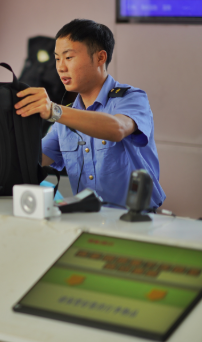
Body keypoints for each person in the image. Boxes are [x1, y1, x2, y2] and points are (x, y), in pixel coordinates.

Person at [14, 19, 165, 209]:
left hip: (135, 218)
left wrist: (54, 110)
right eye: (57, 59)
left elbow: (117, 129)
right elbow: (32, 159)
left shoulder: (131, 98)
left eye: (69, 57)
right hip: (89, 218)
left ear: (100, 58)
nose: (60, 67)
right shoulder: (65, 118)